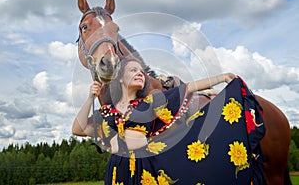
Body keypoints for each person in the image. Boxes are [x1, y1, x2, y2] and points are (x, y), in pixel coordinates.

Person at [72, 57, 265, 184]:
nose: (140, 73)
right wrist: (90, 98)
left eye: (141, 71)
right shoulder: (106, 113)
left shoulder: (149, 103)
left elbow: (188, 88)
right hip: (117, 173)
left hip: (147, 172)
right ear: (120, 79)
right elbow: (77, 129)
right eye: (133, 70)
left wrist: (221, 77)